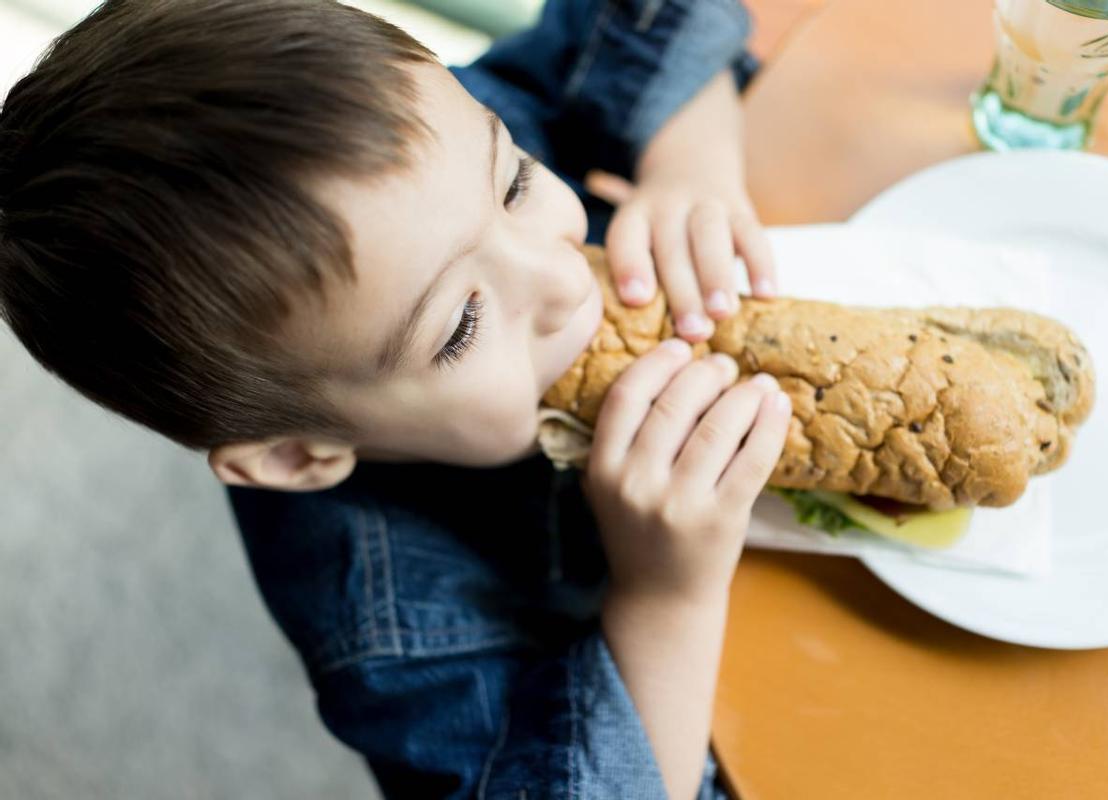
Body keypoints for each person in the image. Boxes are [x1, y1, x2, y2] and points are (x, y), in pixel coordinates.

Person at [0, 1, 792, 797]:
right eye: (461, 325)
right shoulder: (386, 624)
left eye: (515, 182)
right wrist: (667, 597)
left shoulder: (422, 153)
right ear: (298, 455)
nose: (558, 276)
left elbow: (641, 24)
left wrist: (690, 165)